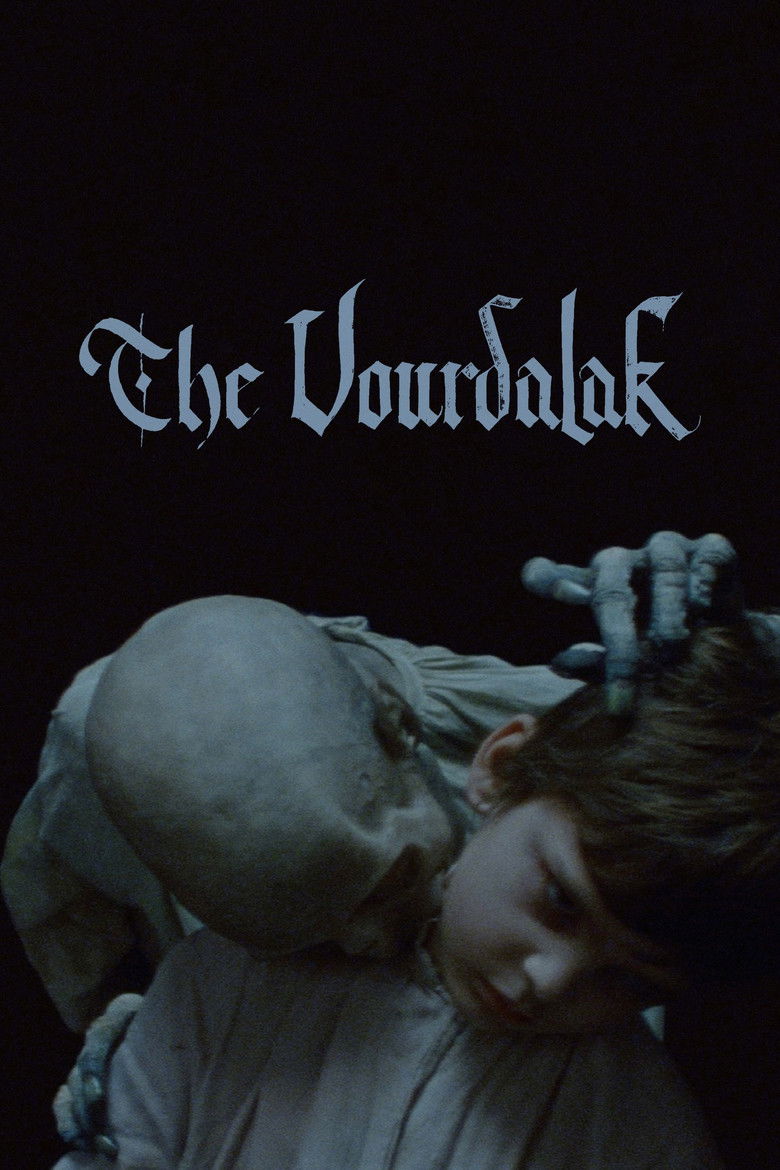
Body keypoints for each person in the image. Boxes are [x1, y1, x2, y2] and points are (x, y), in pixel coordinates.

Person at [48, 612, 780, 1168]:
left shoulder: (633, 1117)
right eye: (560, 901)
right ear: (500, 767)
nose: (548, 981)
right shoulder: (220, 985)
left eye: (630, 979)